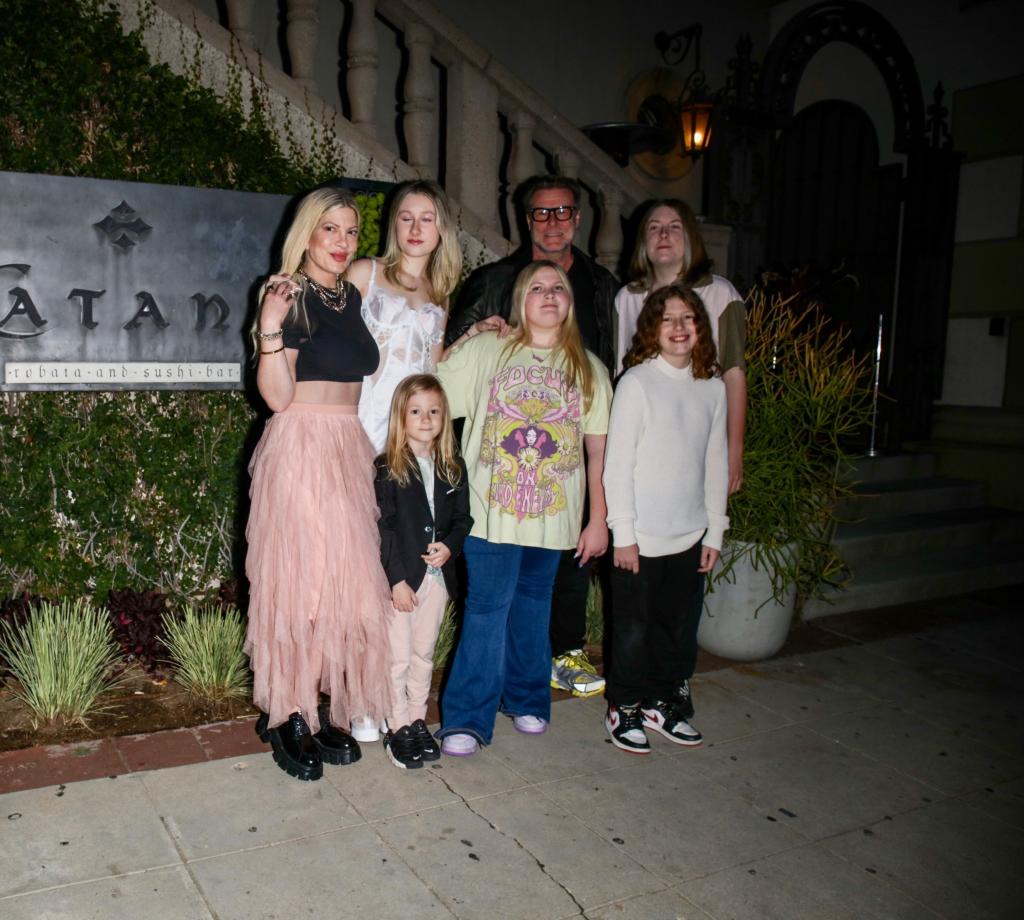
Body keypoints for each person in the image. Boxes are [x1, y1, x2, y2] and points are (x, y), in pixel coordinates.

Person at [446, 174, 617, 700]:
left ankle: (539, 681)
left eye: (563, 211)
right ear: (527, 220)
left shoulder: (600, 285)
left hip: (560, 483)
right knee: (490, 602)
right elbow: (444, 382)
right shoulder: (494, 281)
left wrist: (600, 515)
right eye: (542, 213)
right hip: (495, 486)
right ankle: (474, 706)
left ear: (577, 218)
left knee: (543, 594)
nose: (553, 221)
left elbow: (599, 430)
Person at [435, 260, 612, 756]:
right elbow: (428, 388)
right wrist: (468, 333)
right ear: (520, 299)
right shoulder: (489, 352)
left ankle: (528, 697)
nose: (549, 295)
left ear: (571, 301)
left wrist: (598, 519)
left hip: (554, 515)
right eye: (537, 287)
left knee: (535, 609)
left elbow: (598, 451)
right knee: (487, 610)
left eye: (559, 287)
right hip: (490, 512)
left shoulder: (589, 369)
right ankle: (467, 718)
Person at [245, 187, 393, 782]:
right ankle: (288, 712)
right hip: (301, 444)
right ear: (307, 233)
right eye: (330, 229)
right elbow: (277, 397)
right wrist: (269, 327)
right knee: (301, 585)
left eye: (351, 232)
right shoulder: (284, 293)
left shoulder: (349, 295)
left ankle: (311, 702)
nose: (342, 242)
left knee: (344, 582)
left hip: (347, 447)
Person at [603, 284, 728, 754]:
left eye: (688, 318)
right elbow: (618, 464)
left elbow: (715, 461)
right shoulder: (636, 382)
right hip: (639, 537)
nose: (678, 328)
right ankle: (626, 705)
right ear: (652, 329)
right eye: (668, 319)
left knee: (677, 627)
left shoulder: (712, 388)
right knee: (632, 629)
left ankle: (662, 701)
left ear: (701, 327)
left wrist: (714, 528)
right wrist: (624, 534)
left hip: (690, 533)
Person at [614, 199, 747, 498]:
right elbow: (620, 374)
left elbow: (734, 375)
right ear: (643, 242)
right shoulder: (625, 299)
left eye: (674, 227)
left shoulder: (721, 294)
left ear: (690, 239)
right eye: (654, 228)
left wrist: (734, 452)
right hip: (644, 440)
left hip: (698, 439)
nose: (663, 235)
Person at [374, 374, 472, 770]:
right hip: (402, 581)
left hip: (437, 580)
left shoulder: (453, 465)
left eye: (433, 411)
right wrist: (396, 578)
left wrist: (450, 545)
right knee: (397, 655)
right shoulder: (387, 467)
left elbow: (463, 519)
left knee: (424, 653)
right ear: (402, 417)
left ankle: (417, 718)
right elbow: (385, 526)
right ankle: (395, 723)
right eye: (416, 411)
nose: (426, 419)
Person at [348, 179, 462, 454]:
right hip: (362, 411)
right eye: (406, 217)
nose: (415, 228)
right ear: (394, 224)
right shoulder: (365, 272)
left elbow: (433, 367)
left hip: (410, 422)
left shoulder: (440, 294)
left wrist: (472, 334)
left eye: (426, 219)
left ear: (441, 228)